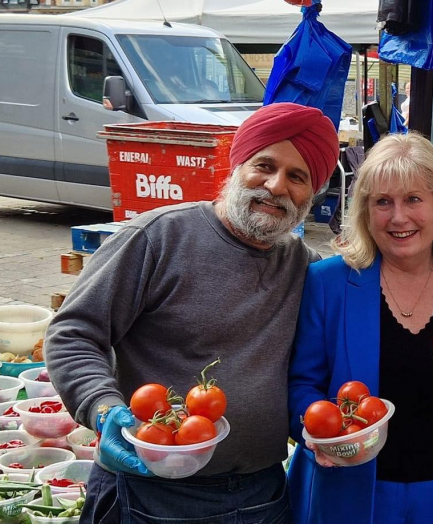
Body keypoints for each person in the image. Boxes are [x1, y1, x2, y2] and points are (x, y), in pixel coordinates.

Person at [44, 102, 340, 524]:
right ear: (236, 164)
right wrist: (102, 407)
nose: (276, 187)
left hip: (262, 495)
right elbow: (73, 332)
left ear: (311, 195)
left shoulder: (306, 269)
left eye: (297, 177)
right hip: (148, 492)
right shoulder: (156, 238)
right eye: (264, 165)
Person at [287, 132, 433, 524]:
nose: (398, 217)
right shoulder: (328, 282)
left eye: (414, 199)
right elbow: (302, 383)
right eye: (382, 202)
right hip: (349, 489)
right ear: (365, 213)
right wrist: (319, 433)